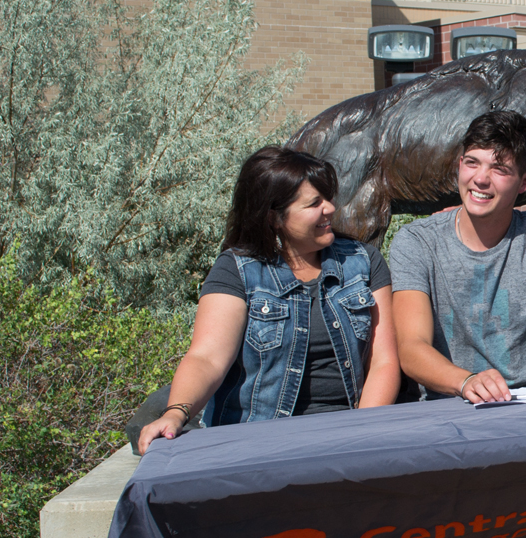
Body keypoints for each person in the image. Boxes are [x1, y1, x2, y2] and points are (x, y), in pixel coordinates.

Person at [136, 146, 402, 454]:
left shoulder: (362, 261)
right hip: (258, 439)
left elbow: (383, 360)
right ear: (274, 218)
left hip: (344, 434)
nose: (330, 208)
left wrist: (361, 433)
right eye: (314, 203)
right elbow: (206, 358)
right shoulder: (238, 269)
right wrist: (176, 412)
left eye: (327, 198)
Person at [388, 110, 526, 402]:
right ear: (458, 166)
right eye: (472, 163)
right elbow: (412, 349)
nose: (480, 179)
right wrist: (466, 382)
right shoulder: (417, 242)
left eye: (499, 169)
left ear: (525, 182)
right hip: (454, 407)